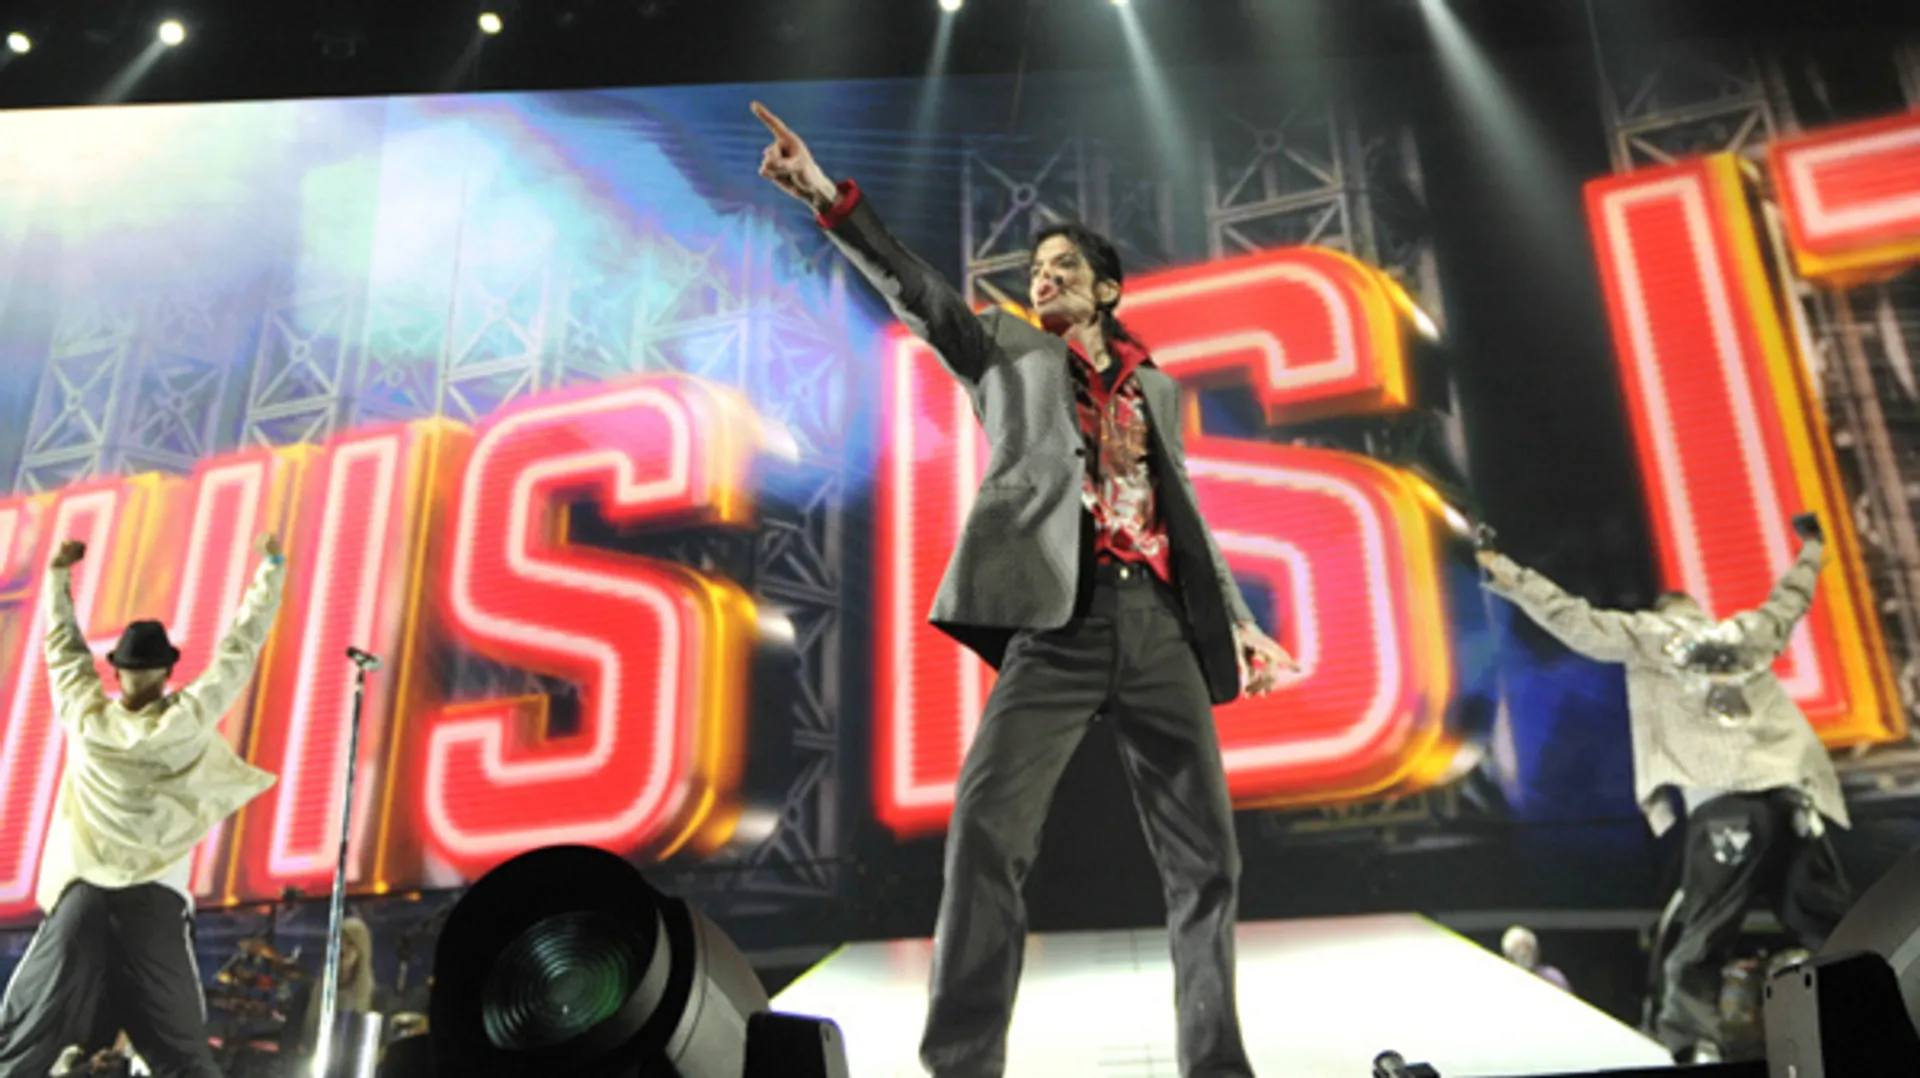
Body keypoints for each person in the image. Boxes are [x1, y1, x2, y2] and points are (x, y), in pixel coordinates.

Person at [754, 102, 1296, 1078]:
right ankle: (963, 1064)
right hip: (1060, 624)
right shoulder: (1005, 350)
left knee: (1209, 860)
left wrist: (1242, 623)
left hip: (1160, 626)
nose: (1042, 278)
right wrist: (826, 197)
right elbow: (919, 292)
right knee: (986, 833)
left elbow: (1182, 515)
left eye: (1063, 267)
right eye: (1036, 268)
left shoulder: (1156, 388)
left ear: (1107, 289)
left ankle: (1217, 1065)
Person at [1477, 513, 1852, 1065]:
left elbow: (1571, 617)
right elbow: (1790, 600)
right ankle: (1880, 1014)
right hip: (1792, 801)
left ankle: (1694, 1046)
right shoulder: (1747, 633)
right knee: (1836, 931)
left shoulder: (1650, 636)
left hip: (1726, 806)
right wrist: (1813, 549)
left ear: (1662, 612)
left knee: (1699, 940)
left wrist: (1500, 567)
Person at [0, 535, 288, 1078]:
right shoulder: (188, 718)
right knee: (183, 1058)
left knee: (21, 1041)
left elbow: (62, 647)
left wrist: (59, 576)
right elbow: (240, 649)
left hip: (83, 903)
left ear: (116, 670)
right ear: (167, 671)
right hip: (153, 906)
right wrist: (271, 570)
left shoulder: (87, 719)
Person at [297, 916, 378, 1056]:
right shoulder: (307, 991)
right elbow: (291, 1042)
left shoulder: (377, 997)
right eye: (340, 942)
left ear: (361, 951)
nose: (343, 949)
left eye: (351, 944)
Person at [1499, 926, 1571, 993]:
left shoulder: (1552, 977)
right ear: (1509, 956)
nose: (1524, 952)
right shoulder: (1503, 980)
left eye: (1528, 947)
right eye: (1518, 948)